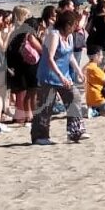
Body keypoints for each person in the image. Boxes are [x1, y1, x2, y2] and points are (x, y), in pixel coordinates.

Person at [32, 9, 85, 145]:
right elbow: (50, 58)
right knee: (46, 105)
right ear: (67, 24)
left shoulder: (70, 37)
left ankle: (74, 131)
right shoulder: (54, 35)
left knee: (74, 97)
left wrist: (79, 71)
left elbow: (70, 55)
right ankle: (40, 136)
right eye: (74, 24)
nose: (76, 27)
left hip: (64, 74)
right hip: (49, 75)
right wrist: (61, 77)